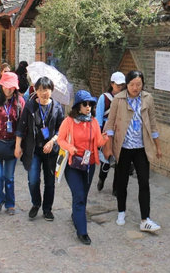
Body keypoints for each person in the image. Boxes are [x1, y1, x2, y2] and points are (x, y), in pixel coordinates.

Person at [103, 70, 162, 232]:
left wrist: (158, 146)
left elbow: (153, 123)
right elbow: (110, 124)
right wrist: (108, 146)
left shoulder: (148, 99)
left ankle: (145, 219)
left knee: (144, 182)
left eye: (139, 84)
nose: (135, 88)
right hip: (123, 147)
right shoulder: (118, 99)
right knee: (122, 182)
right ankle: (121, 211)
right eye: (132, 84)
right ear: (126, 85)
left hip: (141, 148)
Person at [57, 90, 108, 245]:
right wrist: (70, 147)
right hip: (73, 165)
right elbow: (60, 139)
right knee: (79, 195)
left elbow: (97, 141)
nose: (88, 107)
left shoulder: (93, 122)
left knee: (83, 196)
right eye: (85, 104)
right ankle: (82, 231)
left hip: (89, 165)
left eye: (90, 104)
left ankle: (76, 215)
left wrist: (105, 139)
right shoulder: (69, 121)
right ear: (78, 106)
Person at [15, 76, 64, 221]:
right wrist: (18, 146)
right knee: (33, 179)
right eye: (41, 90)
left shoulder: (57, 107)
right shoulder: (30, 106)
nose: (44, 93)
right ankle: (36, 203)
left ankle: (47, 209)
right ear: (36, 90)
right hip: (34, 150)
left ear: (51, 90)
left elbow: (61, 129)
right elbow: (21, 128)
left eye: (47, 89)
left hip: (51, 151)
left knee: (50, 182)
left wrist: (52, 141)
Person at [0, 72, 25, 216]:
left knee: (9, 176)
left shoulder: (20, 102)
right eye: (6, 87)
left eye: (11, 87)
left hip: (12, 143)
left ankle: (10, 203)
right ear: (1, 86)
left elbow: (23, 124)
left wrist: (20, 145)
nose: (8, 90)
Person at [95, 71, 126, 193]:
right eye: (117, 84)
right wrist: (99, 136)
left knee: (119, 160)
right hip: (107, 132)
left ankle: (116, 188)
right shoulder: (104, 98)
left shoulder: (125, 98)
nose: (120, 87)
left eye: (122, 85)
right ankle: (102, 178)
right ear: (112, 84)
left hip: (120, 131)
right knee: (107, 159)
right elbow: (98, 118)